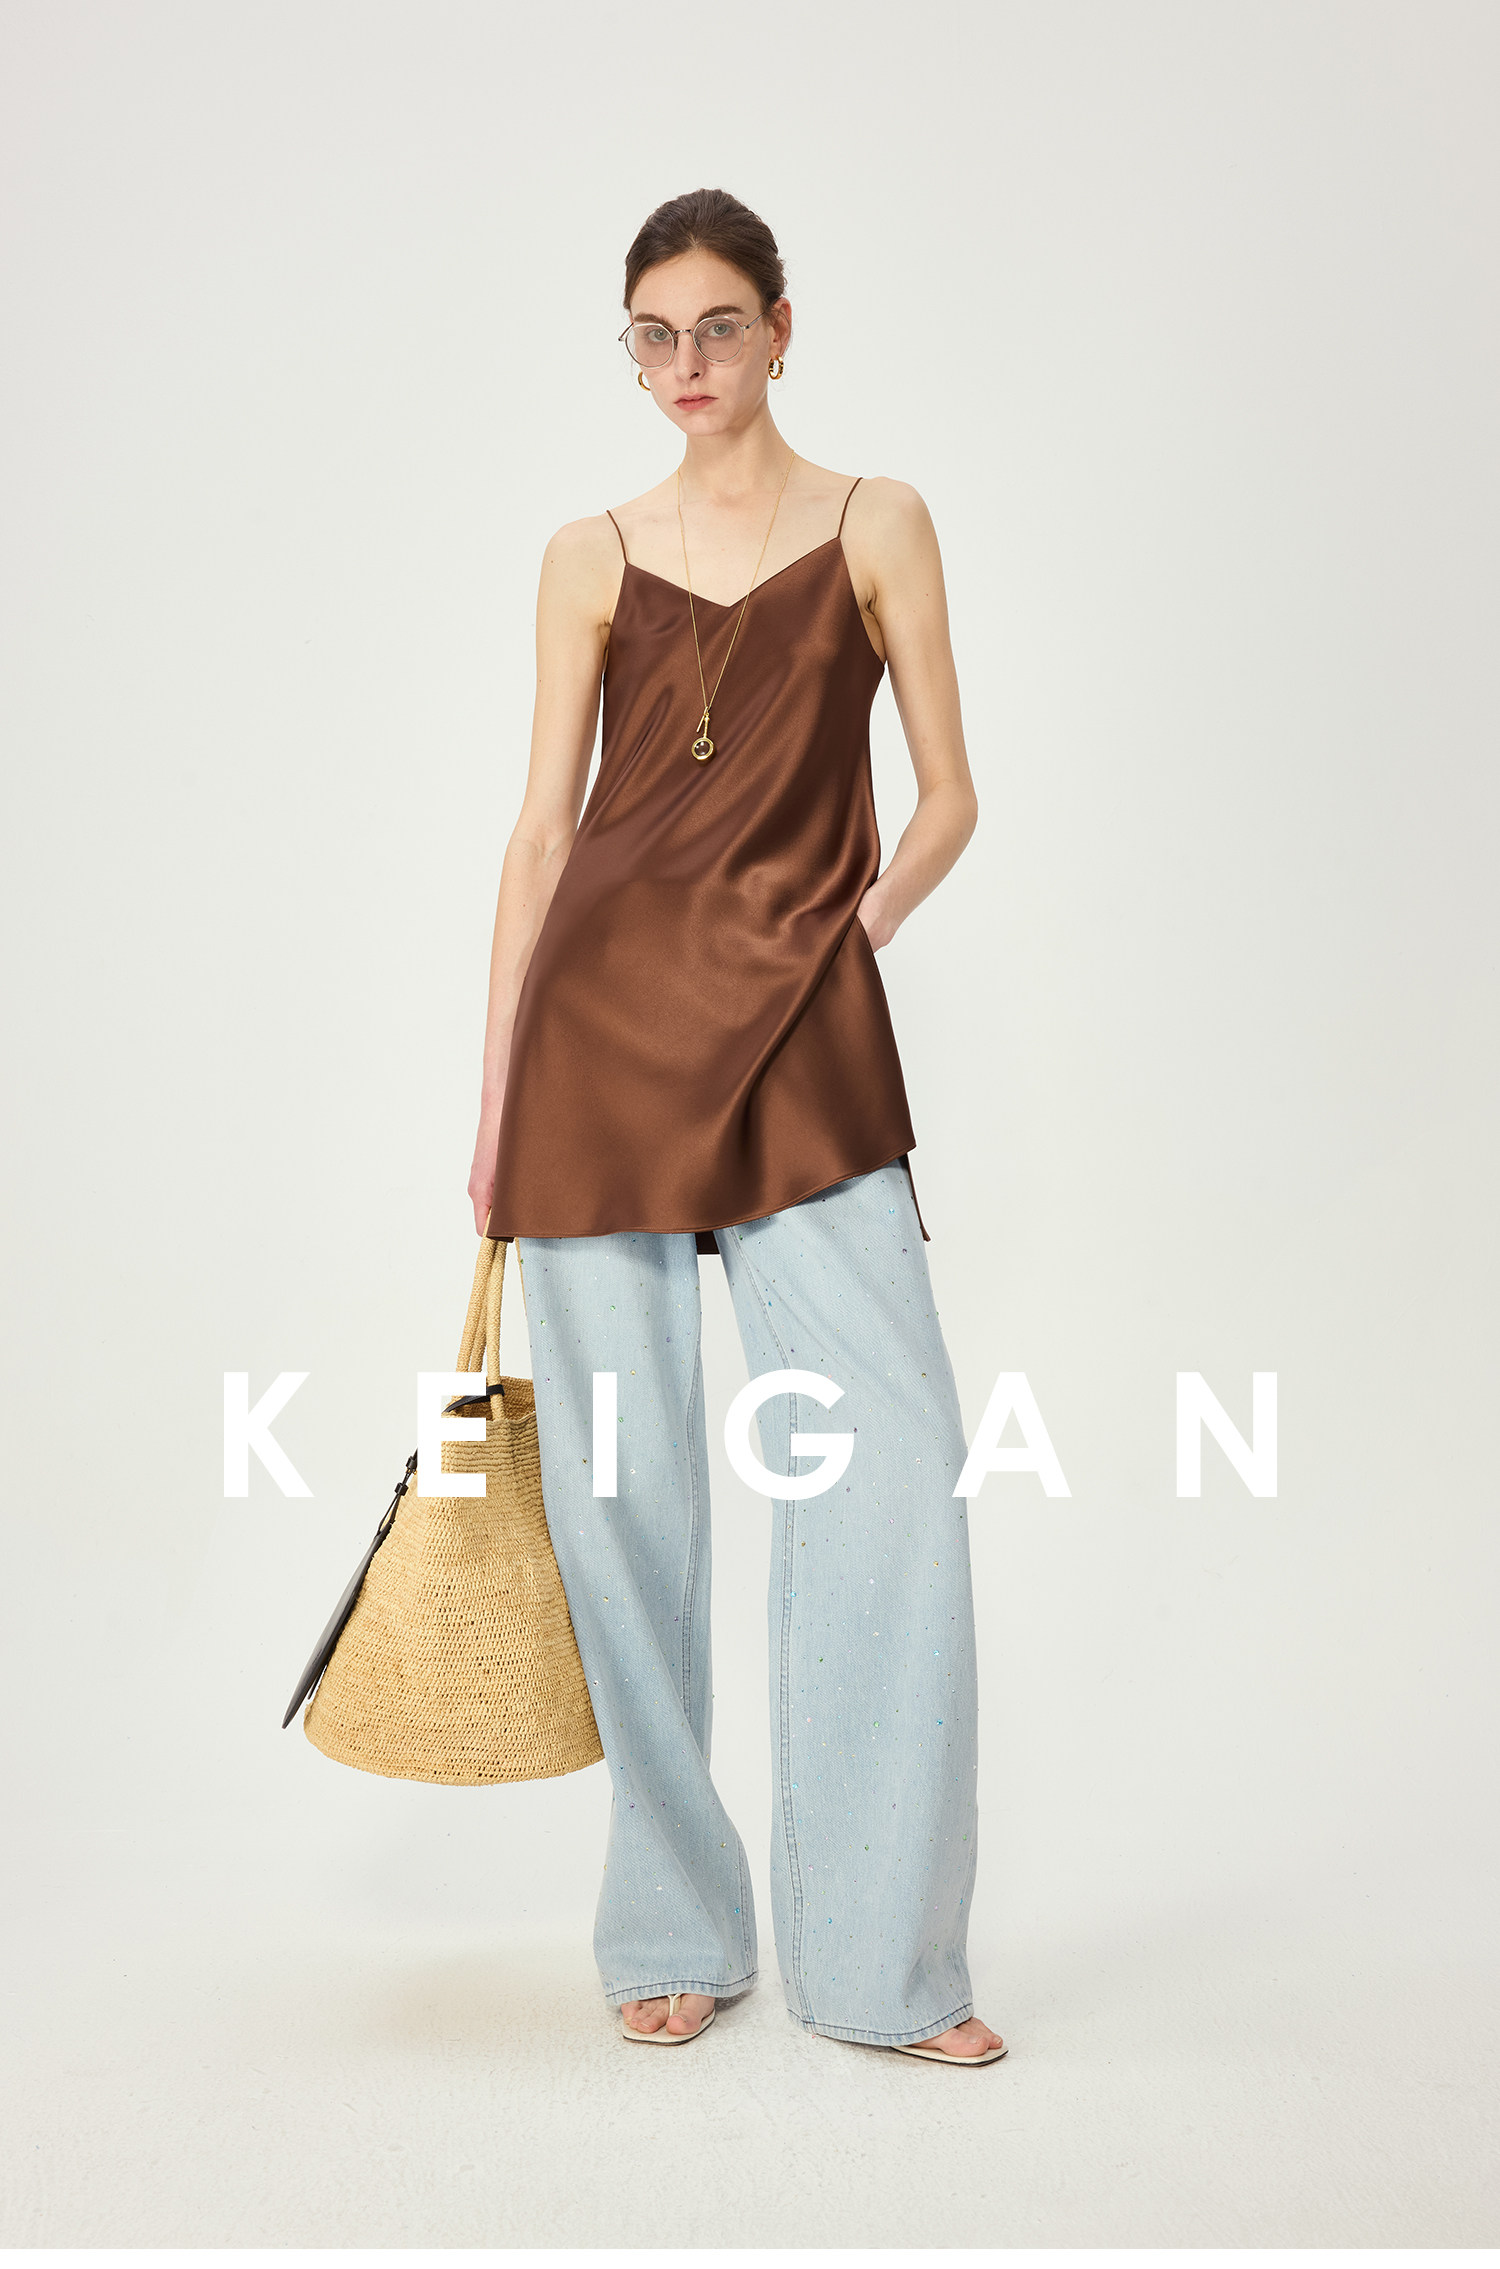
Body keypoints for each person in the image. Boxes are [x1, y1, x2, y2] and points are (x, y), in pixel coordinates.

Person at [467, 187, 1004, 2065]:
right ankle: (673, 1927)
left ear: (782, 326)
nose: (686, 363)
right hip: (596, 1047)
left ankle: (883, 1966)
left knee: (893, 1475)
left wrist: (850, 935)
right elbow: (544, 831)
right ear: (632, 353)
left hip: (804, 1035)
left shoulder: (878, 523)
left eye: (716, 325)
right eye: (653, 335)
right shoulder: (587, 554)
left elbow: (949, 796)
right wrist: (495, 1099)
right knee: (625, 1503)